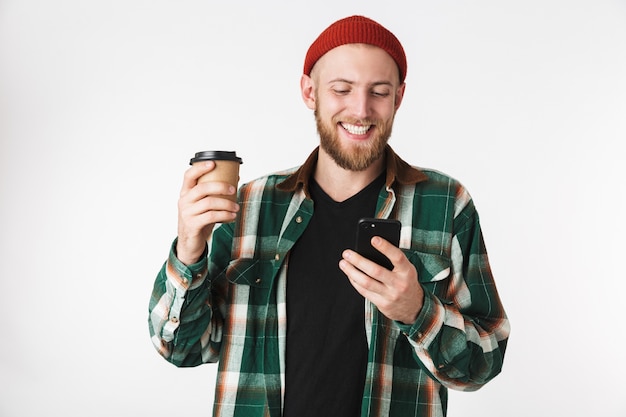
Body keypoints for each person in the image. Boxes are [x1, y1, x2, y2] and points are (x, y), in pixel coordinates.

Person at [148, 15, 510, 417]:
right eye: (342, 89)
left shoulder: (445, 204)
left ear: (399, 98)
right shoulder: (249, 205)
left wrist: (417, 311)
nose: (361, 109)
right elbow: (183, 348)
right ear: (310, 91)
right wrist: (189, 246)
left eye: (379, 91)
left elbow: (485, 363)